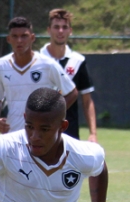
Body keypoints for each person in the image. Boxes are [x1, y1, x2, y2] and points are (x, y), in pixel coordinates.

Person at [0, 17, 78, 135]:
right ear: (8, 39)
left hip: (42, 136)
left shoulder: (48, 64)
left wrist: (52, 115)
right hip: (12, 134)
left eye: (24, 36)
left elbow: (72, 93)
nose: (19, 40)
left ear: (32, 38)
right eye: (15, 36)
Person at [41, 8, 98, 143]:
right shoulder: (38, 60)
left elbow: (87, 100)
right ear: (49, 30)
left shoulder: (77, 61)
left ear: (70, 31)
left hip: (69, 134)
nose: (60, 31)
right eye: (56, 27)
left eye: (64, 27)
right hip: (40, 133)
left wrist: (93, 133)